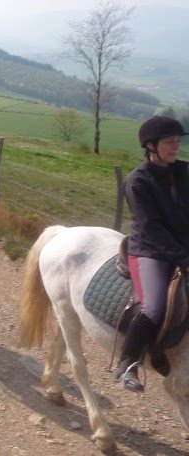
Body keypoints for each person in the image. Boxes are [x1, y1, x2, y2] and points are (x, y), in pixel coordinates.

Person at [116, 115, 189, 392]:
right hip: (150, 250)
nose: (176, 147)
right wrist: (184, 259)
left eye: (178, 141)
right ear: (151, 146)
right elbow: (151, 228)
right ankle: (128, 364)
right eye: (169, 142)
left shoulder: (182, 174)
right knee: (154, 306)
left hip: (182, 247)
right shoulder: (138, 181)